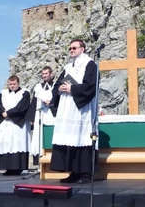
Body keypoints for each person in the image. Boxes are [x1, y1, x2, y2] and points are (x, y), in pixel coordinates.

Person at [50, 39, 98, 184]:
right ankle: (73, 172)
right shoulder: (67, 67)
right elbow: (57, 84)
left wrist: (72, 89)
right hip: (67, 108)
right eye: (70, 48)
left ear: (82, 49)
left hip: (81, 109)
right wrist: (59, 88)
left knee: (81, 138)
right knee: (70, 140)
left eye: (74, 48)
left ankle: (85, 174)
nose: (71, 50)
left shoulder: (90, 64)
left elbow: (91, 86)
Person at [0, 75, 31, 175]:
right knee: (5, 144)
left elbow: (22, 107)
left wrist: (9, 113)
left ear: (18, 83)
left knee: (16, 145)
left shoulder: (24, 93)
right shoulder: (3, 93)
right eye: (10, 84)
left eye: (14, 84)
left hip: (17, 123)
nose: (12, 86)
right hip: (4, 122)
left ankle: (17, 168)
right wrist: (3, 112)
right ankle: (7, 167)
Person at [27, 66, 56, 165]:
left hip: (51, 114)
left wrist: (51, 103)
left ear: (50, 74)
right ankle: (38, 160)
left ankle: (51, 157)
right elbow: (34, 102)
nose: (44, 76)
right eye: (43, 74)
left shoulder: (55, 86)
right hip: (40, 114)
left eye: (46, 73)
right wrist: (32, 118)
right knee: (38, 136)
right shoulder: (38, 87)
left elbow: (58, 100)